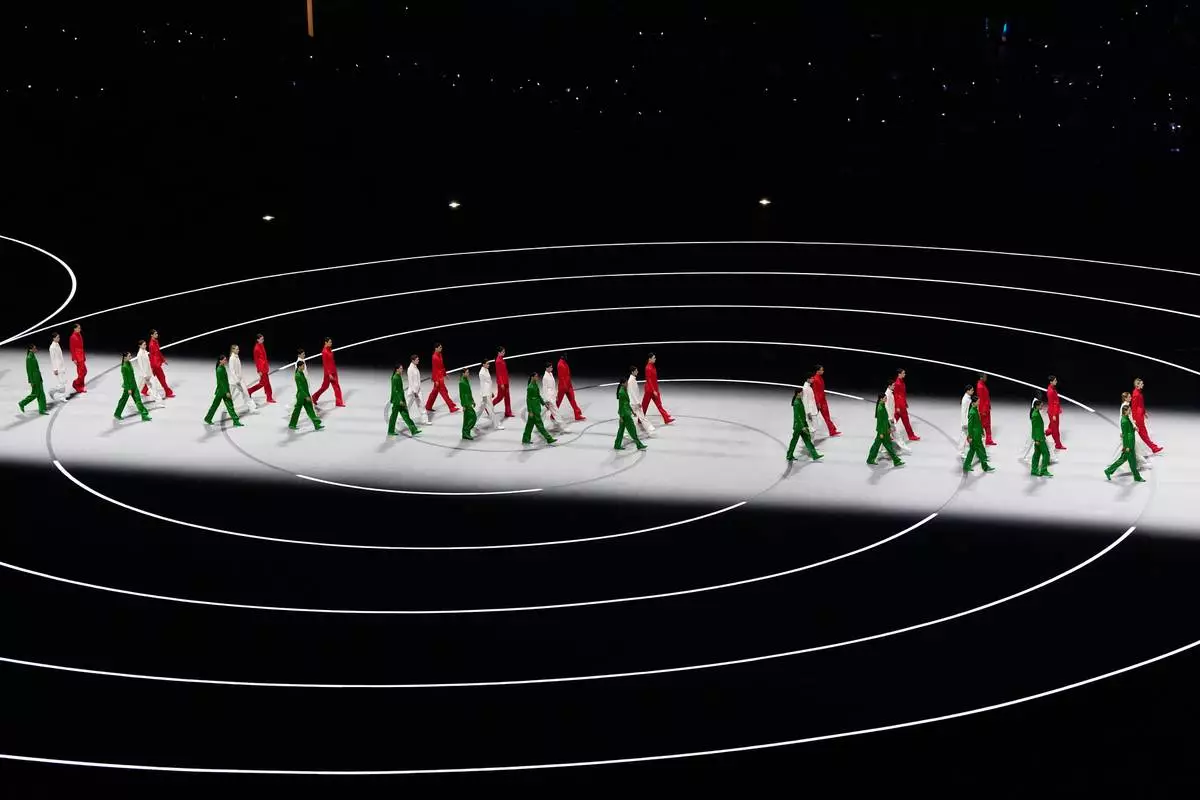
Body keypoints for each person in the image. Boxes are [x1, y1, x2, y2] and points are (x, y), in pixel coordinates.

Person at [1105, 404, 1146, 482]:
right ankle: (1137, 477)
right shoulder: (1124, 421)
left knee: (1123, 460)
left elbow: (1130, 431)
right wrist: (1127, 446)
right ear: (1125, 411)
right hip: (1128, 445)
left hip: (1130, 444)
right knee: (1132, 463)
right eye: (1129, 411)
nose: (1130, 412)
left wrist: (1134, 428)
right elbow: (1125, 435)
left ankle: (1108, 471)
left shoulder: (1127, 419)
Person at [203, 354, 244, 427]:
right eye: (224, 360)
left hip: (222, 390)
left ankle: (208, 418)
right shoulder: (220, 369)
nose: (226, 361)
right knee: (226, 406)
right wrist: (227, 392)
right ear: (220, 361)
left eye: (226, 359)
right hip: (222, 391)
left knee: (220, 405)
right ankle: (235, 421)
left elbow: (224, 381)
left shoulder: (222, 367)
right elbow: (222, 382)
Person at [867, 392, 903, 467]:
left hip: (885, 430)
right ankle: (896, 460)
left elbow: (885, 420)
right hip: (882, 432)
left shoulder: (882, 406)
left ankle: (871, 459)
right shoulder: (880, 408)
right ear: (881, 399)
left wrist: (889, 428)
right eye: (885, 398)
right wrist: (881, 433)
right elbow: (880, 422)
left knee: (882, 446)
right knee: (880, 446)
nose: (886, 399)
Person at [113, 351, 151, 422]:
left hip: (134, 385)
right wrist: (129, 389)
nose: (131, 357)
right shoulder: (124, 367)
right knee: (123, 400)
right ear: (125, 357)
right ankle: (117, 413)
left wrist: (134, 385)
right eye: (129, 356)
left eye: (130, 356)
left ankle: (144, 415)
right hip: (128, 387)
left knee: (138, 400)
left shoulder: (129, 363)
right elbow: (125, 379)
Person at [1119, 392, 1152, 471]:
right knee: (1134, 446)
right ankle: (1141, 463)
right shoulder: (1125, 406)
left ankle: (1139, 463)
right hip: (1127, 429)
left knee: (1134, 446)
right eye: (1129, 397)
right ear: (1125, 398)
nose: (1131, 398)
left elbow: (1128, 417)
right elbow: (1124, 417)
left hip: (1128, 428)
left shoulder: (1124, 405)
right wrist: (1134, 425)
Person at [786, 388, 821, 462]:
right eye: (802, 393)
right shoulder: (796, 403)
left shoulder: (799, 401)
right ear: (798, 393)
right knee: (794, 441)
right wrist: (802, 427)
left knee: (807, 440)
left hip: (802, 425)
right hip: (799, 426)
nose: (802, 394)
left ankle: (815, 455)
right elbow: (797, 416)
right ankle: (789, 455)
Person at [962, 395, 995, 474]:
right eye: (978, 402)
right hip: (974, 435)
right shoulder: (972, 412)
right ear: (974, 402)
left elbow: (978, 423)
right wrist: (970, 436)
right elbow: (970, 426)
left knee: (972, 450)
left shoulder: (975, 410)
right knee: (980, 450)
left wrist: (982, 432)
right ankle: (985, 466)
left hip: (977, 434)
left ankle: (966, 465)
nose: (979, 403)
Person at [641, 352, 675, 425]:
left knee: (659, 405)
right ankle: (640, 419)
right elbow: (649, 380)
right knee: (644, 406)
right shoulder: (648, 368)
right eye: (654, 358)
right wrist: (653, 390)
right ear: (650, 359)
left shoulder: (652, 366)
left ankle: (666, 418)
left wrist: (656, 390)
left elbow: (654, 379)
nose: (655, 359)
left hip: (654, 390)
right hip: (649, 390)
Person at [425, 342, 459, 415]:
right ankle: (451, 407)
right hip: (438, 378)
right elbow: (435, 369)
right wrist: (436, 380)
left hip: (440, 376)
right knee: (444, 393)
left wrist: (445, 374)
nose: (441, 348)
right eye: (440, 347)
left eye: (441, 347)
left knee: (434, 393)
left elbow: (442, 366)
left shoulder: (440, 355)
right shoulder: (434, 357)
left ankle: (428, 406)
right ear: (436, 348)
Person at [1130, 378, 1163, 454]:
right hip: (1138, 417)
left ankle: (1153, 447)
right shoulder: (1135, 393)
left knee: (1144, 433)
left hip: (1140, 415)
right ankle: (1153, 448)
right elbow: (1134, 407)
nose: (1143, 385)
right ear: (1137, 385)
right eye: (1141, 383)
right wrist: (1134, 419)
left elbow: (1141, 405)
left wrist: (1144, 412)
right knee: (1143, 434)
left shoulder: (1138, 392)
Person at [614, 375, 647, 451]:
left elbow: (627, 403)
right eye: (626, 383)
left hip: (626, 412)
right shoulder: (622, 393)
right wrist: (621, 417)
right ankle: (639, 445)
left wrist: (632, 411)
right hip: (625, 415)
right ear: (622, 384)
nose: (627, 384)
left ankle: (617, 445)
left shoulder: (623, 390)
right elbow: (621, 405)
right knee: (632, 430)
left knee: (621, 430)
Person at [522, 373, 556, 445]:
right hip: (534, 409)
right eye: (536, 376)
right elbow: (528, 400)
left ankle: (525, 438)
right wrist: (530, 411)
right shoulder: (530, 387)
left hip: (536, 407)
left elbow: (538, 396)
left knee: (529, 425)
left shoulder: (535, 385)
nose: (537, 377)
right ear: (532, 377)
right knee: (540, 425)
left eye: (537, 376)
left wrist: (544, 403)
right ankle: (549, 438)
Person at [387, 363, 420, 437]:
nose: (402, 370)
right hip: (397, 401)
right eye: (401, 368)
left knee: (405, 415)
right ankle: (390, 431)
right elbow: (395, 391)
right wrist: (400, 400)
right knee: (394, 416)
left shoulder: (398, 376)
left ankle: (413, 430)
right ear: (397, 369)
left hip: (401, 399)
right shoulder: (395, 378)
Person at [289, 360, 323, 431]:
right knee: (297, 411)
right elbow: (300, 388)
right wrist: (306, 396)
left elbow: (305, 386)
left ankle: (316, 424)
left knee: (310, 410)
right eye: (303, 366)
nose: (304, 367)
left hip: (306, 394)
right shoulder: (297, 375)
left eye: (304, 366)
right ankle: (292, 424)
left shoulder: (301, 373)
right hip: (301, 396)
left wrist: (308, 395)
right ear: (299, 366)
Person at [311, 337, 345, 407]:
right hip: (328, 373)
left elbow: (332, 361)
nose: (331, 343)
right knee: (324, 387)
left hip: (334, 371)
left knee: (336, 386)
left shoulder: (330, 350)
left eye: (331, 342)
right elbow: (325, 364)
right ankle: (314, 398)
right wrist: (329, 374)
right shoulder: (324, 352)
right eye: (330, 342)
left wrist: (334, 371)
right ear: (325, 343)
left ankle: (339, 402)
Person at [17, 344, 48, 416]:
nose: (36, 349)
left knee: (41, 394)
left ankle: (42, 408)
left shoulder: (32, 356)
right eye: (34, 348)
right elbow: (29, 371)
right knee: (35, 394)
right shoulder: (29, 358)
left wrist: (40, 377)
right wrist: (30, 381)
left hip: (38, 377)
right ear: (30, 349)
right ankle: (22, 403)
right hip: (35, 379)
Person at [884, 377, 912, 455]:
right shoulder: (887, 394)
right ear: (889, 386)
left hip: (891, 417)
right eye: (893, 385)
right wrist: (891, 418)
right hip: (890, 418)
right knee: (896, 434)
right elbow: (886, 407)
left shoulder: (890, 392)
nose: (894, 386)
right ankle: (902, 448)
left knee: (892, 434)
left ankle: (887, 449)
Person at [625, 365, 656, 435]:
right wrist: (637, 402)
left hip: (634, 402)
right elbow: (632, 393)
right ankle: (628, 433)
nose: (637, 372)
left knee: (641, 417)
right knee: (636, 418)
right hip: (634, 403)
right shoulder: (631, 381)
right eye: (636, 371)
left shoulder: (632, 379)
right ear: (632, 372)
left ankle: (649, 428)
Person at [132, 340, 165, 407]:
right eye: (144, 344)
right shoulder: (139, 354)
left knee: (154, 387)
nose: (145, 345)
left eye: (145, 344)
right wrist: (145, 376)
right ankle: (131, 401)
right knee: (138, 388)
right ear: (140, 345)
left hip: (149, 373)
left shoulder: (145, 352)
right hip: (144, 375)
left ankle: (159, 402)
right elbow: (141, 366)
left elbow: (149, 358)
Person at [228, 344, 258, 415]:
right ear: (233, 350)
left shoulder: (236, 357)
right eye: (237, 349)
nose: (238, 350)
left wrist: (241, 379)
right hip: (234, 381)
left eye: (238, 349)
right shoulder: (232, 358)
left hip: (239, 380)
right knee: (230, 396)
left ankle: (252, 408)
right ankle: (228, 408)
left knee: (245, 393)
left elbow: (239, 370)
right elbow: (232, 371)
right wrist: (237, 381)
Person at [810, 364, 839, 436]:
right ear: (818, 371)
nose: (823, 371)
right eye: (822, 370)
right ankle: (808, 431)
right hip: (818, 401)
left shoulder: (820, 378)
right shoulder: (815, 379)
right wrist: (817, 402)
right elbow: (815, 392)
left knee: (827, 416)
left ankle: (832, 431)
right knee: (813, 417)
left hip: (823, 400)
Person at [145, 329, 175, 399]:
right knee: (162, 378)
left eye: (157, 333)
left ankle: (144, 390)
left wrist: (163, 360)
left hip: (156, 363)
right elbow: (152, 356)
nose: (157, 335)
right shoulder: (151, 344)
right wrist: (153, 365)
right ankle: (168, 392)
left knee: (151, 378)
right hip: (155, 364)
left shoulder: (156, 342)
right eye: (155, 334)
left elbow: (158, 352)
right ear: (151, 335)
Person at [555, 354, 586, 421]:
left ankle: (577, 415)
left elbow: (567, 375)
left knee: (573, 400)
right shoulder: (560, 364)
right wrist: (565, 386)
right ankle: (553, 415)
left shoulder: (564, 362)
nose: (567, 357)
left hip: (568, 385)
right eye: (565, 356)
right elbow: (561, 377)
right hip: (562, 386)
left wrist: (569, 385)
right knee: (558, 402)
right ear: (562, 356)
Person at [247, 333, 276, 404]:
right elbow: (256, 360)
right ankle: (269, 397)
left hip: (265, 367)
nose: (263, 340)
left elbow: (264, 357)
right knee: (265, 383)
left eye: (263, 339)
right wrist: (259, 370)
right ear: (257, 340)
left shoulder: (261, 345)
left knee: (264, 383)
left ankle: (250, 391)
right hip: (261, 369)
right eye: (261, 339)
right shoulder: (256, 348)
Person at [892, 368, 920, 440]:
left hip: (902, 405)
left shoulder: (901, 382)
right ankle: (911, 435)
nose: (905, 374)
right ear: (899, 374)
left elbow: (902, 395)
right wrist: (898, 406)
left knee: (894, 421)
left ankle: (886, 434)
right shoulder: (897, 383)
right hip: (900, 406)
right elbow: (896, 395)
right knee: (905, 422)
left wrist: (905, 403)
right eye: (903, 373)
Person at [1028, 398, 1053, 477]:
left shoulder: (1036, 413)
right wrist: (1037, 439)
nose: (1042, 407)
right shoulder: (1035, 415)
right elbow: (1035, 428)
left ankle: (1034, 470)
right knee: (1046, 454)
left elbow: (1038, 427)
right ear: (1037, 406)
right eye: (1041, 405)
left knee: (1036, 454)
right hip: (1039, 439)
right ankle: (1043, 470)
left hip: (1039, 437)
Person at [476, 359, 503, 430]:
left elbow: (489, 383)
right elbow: (483, 385)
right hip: (485, 394)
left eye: (489, 363)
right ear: (483, 364)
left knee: (480, 410)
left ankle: (472, 423)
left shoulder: (486, 370)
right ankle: (496, 425)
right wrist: (485, 395)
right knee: (491, 409)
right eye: (487, 364)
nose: (489, 365)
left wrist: (491, 392)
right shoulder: (481, 373)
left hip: (488, 393)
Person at [541, 361, 567, 431]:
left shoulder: (551, 374)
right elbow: (544, 389)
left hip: (552, 395)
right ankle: (563, 426)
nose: (552, 368)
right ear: (547, 368)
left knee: (545, 411)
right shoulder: (545, 377)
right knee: (555, 411)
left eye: (552, 367)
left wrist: (555, 395)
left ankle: (537, 423)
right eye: (550, 367)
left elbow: (553, 386)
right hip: (549, 397)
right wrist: (546, 399)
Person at [406, 354, 430, 425]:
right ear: (413, 360)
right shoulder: (410, 369)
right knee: (407, 405)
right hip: (413, 391)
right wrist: (414, 392)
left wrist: (418, 390)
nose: (418, 360)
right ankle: (400, 418)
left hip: (418, 390)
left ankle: (425, 420)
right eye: (417, 360)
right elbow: (410, 381)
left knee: (421, 404)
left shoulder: (415, 367)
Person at [492, 345, 514, 418]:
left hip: (506, 381)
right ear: (499, 352)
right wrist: (501, 383)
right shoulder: (498, 361)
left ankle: (508, 412)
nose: (504, 353)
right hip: (502, 382)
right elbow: (499, 373)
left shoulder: (501, 359)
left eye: (504, 351)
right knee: (500, 397)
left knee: (507, 397)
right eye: (503, 352)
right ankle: (489, 406)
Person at [459, 367, 480, 440]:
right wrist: (464, 405)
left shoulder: (466, 380)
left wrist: (472, 400)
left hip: (468, 402)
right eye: (467, 372)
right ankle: (466, 432)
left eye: (468, 372)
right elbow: (462, 394)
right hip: (466, 403)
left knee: (467, 419)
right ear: (463, 373)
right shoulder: (461, 382)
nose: (468, 374)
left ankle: (465, 433)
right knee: (472, 417)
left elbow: (469, 392)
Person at [1045, 375, 1066, 450]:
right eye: (1055, 380)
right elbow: (1052, 403)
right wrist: (1054, 414)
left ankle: (1046, 433)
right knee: (1055, 430)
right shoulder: (1050, 391)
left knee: (1052, 427)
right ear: (1051, 382)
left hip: (1054, 411)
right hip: (1053, 412)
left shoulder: (1052, 388)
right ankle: (1058, 445)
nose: (1056, 381)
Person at [976, 373, 996, 446]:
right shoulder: (980, 386)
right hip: (984, 409)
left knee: (987, 425)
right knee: (982, 425)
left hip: (986, 408)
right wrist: (983, 410)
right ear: (981, 377)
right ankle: (973, 438)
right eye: (985, 377)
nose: (986, 378)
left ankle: (988, 440)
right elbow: (980, 399)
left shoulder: (982, 384)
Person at [47, 332, 68, 402]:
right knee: (62, 382)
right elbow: (52, 359)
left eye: (59, 337)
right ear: (53, 338)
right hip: (57, 367)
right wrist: (55, 369)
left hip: (61, 365)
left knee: (63, 382)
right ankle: (60, 396)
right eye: (57, 337)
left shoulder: (57, 344)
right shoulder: (52, 347)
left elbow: (60, 356)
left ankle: (53, 392)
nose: (59, 338)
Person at [957, 384, 976, 457]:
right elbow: (963, 412)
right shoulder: (965, 399)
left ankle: (974, 450)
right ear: (967, 391)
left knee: (970, 436)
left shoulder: (968, 398)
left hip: (969, 420)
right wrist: (964, 423)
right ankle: (961, 452)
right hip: (966, 422)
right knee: (963, 437)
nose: (973, 391)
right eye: (972, 390)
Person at [68, 322, 87, 394]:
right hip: (77, 357)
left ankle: (80, 384)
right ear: (75, 328)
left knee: (84, 371)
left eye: (80, 328)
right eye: (78, 328)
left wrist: (84, 356)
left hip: (81, 356)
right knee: (81, 372)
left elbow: (81, 347)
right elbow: (72, 348)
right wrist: (74, 358)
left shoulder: (79, 335)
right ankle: (76, 384)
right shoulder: (72, 337)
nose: (80, 329)